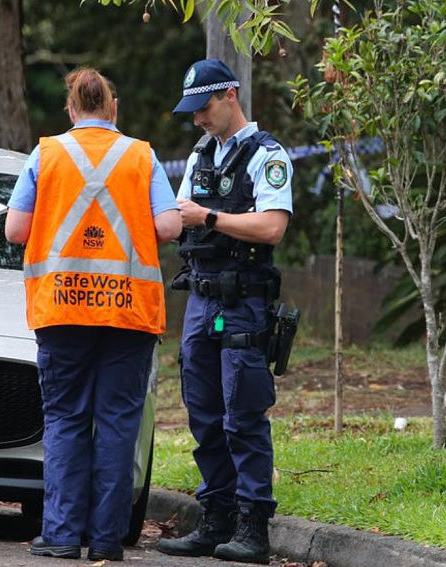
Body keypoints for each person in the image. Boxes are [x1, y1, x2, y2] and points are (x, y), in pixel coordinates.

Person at [5, 68, 181, 562]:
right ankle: (106, 539)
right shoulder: (141, 156)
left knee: (65, 420)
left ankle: (60, 536)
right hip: (128, 311)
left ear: (70, 109)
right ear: (113, 108)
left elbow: (16, 231)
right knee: (119, 422)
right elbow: (168, 226)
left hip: (61, 309)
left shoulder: (46, 154)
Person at [155, 58, 293, 565]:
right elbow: (176, 218)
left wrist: (209, 215)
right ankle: (215, 519)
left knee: (244, 413)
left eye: (204, 107)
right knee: (205, 412)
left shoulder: (267, 156)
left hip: (244, 303)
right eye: (192, 112)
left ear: (230, 95)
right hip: (201, 298)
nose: (198, 119)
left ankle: (253, 527)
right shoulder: (199, 156)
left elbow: (273, 227)